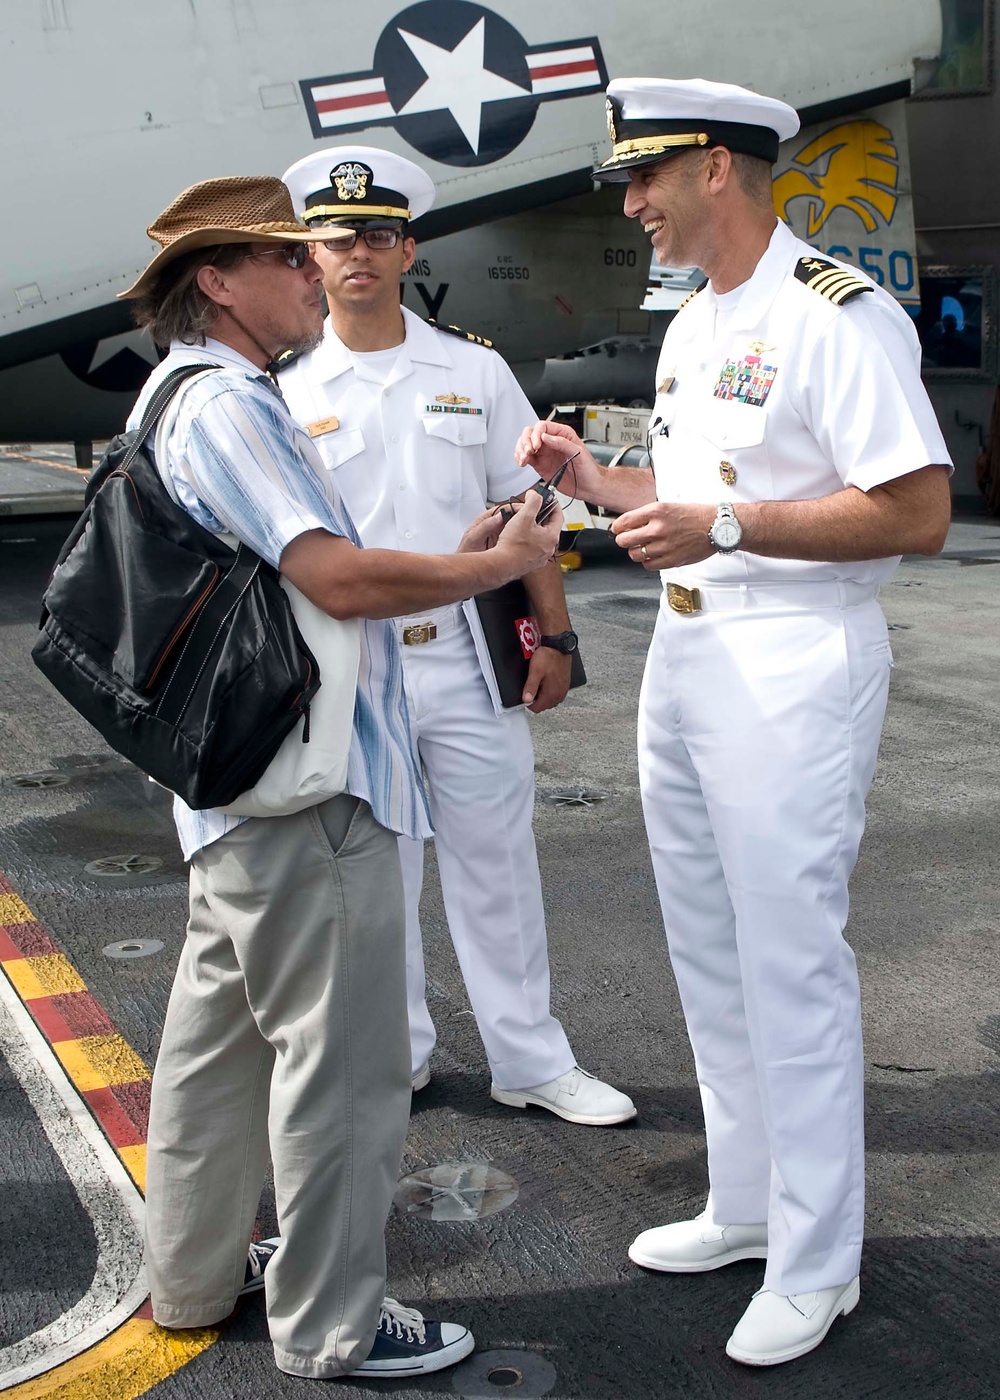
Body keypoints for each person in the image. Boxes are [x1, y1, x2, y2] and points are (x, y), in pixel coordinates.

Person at [516, 78, 952, 1366]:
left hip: (791, 663)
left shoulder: (837, 315)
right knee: (709, 950)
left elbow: (915, 508)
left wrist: (727, 525)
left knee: (789, 959)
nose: (632, 205)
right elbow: (708, 488)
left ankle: (820, 1260)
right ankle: (750, 1203)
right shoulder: (697, 322)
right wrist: (604, 484)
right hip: (691, 655)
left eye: (645, 178)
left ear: (716, 167)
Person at [120, 174, 563, 1381]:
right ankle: (332, 1320)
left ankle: (196, 1273)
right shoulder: (231, 406)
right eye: (287, 259)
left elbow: (323, 569)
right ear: (220, 280)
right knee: (345, 1073)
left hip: (242, 793)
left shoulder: (188, 393)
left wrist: (458, 553)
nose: (316, 272)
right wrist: (493, 572)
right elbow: (339, 580)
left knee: (218, 1056)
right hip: (310, 794)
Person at [278, 145, 636, 1127]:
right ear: (308, 257)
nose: (359, 251)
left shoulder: (471, 370)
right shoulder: (282, 385)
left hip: (465, 661)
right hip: (346, 669)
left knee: (497, 863)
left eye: (379, 234)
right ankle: (398, 1054)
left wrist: (554, 641)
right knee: (371, 876)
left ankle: (530, 1055)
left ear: (408, 250)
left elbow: (531, 514)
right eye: (338, 236)